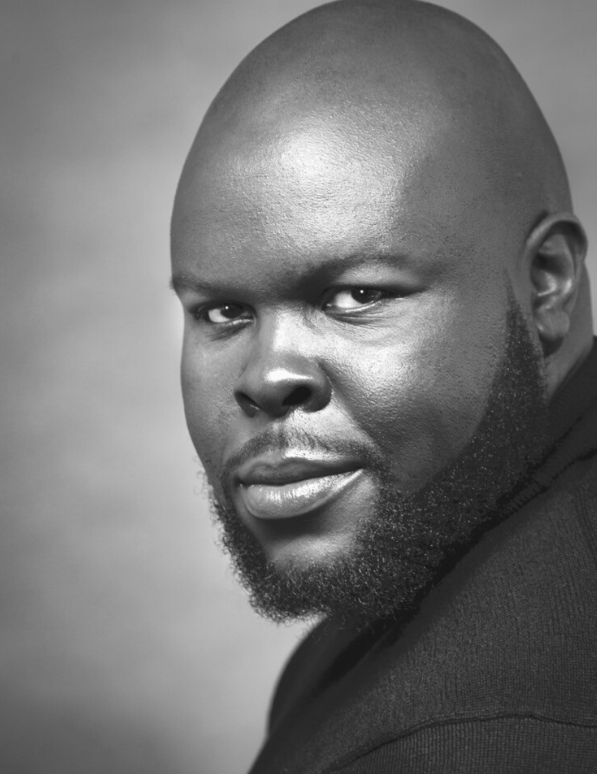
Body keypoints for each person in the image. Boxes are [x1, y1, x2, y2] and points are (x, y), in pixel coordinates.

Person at [170, 0, 597, 770]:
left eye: (357, 296)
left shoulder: (484, 736)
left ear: (544, 284)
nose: (266, 377)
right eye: (223, 311)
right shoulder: (452, 533)